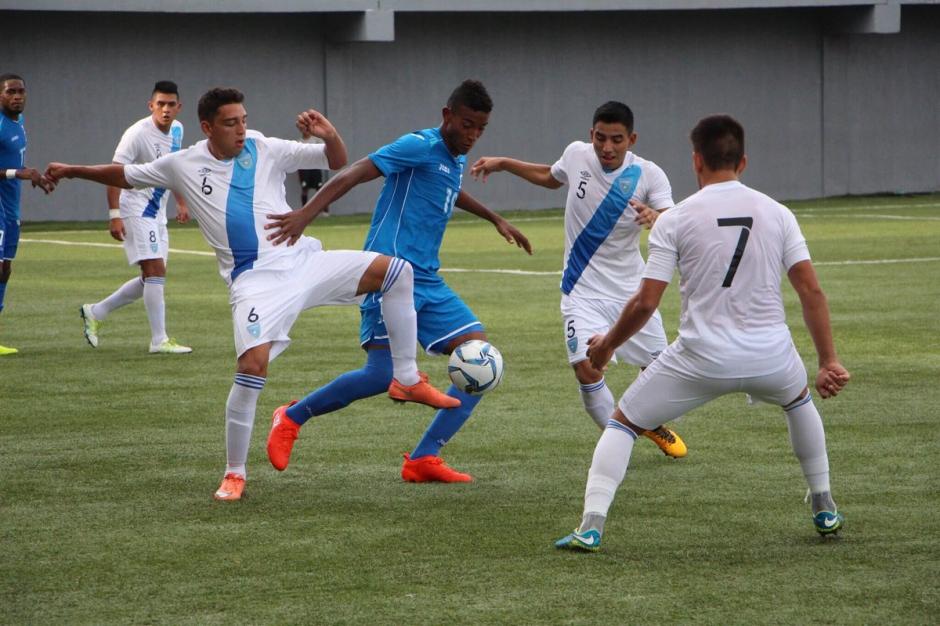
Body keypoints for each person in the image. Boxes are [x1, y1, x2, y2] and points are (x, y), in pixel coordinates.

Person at [44, 87, 458, 501]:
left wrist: (329, 135)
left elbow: (335, 161)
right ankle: (235, 473)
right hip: (255, 282)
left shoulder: (264, 147)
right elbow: (125, 174)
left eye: (243, 119)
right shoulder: (181, 163)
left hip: (303, 261)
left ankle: (405, 378)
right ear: (207, 127)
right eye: (230, 122)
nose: (241, 129)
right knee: (252, 368)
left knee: (397, 271)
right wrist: (71, 169)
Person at [554, 114, 851, 552]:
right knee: (798, 400)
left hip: (701, 358)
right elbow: (811, 290)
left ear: (696, 161)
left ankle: (591, 526)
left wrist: (607, 346)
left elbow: (646, 302)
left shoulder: (675, 219)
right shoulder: (778, 212)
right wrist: (828, 360)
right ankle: (824, 505)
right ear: (743, 161)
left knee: (622, 423)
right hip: (770, 355)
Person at [265, 79, 532, 483]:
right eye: (466, 125)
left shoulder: (452, 156)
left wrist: (496, 218)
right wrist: (306, 214)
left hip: (427, 278)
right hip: (386, 273)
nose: (473, 135)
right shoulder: (418, 145)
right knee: (378, 374)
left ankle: (423, 458)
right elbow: (355, 172)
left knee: (481, 357)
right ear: (447, 116)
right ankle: (291, 416)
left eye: (481, 128)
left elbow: (449, 189)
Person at [471, 101, 687, 458]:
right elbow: (550, 177)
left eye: (617, 139)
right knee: (587, 369)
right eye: (600, 138)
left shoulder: (649, 175)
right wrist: (505, 163)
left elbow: (672, 216)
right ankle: (618, 445)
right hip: (581, 290)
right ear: (591, 135)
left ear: (631, 139)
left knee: (661, 378)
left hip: (631, 292)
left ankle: (646, 420)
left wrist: (657, 217)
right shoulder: (576, 154)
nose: (607, 147)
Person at [79, 80, 193, 354]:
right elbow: (114, 172)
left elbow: (173, 169)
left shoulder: (177, 130)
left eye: (170, 105)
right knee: (155, 272)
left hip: (157, 211)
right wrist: (114, 214)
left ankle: (96, 311)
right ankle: (159, 340)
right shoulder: (137, 134)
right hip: (135, 208)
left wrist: (180, 201)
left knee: (151, 279)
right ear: (151, 105)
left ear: (179, 107)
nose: (165, 110)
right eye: (160, 104)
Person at [0, 73, 54, 356]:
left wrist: (36, 177)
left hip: (11, 209)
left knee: (5, 269)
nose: (17, 96)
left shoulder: (18, 123)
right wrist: (17, 173)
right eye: (11, 91)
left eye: (21, 91)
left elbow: (15, 164)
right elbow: (13, 170)